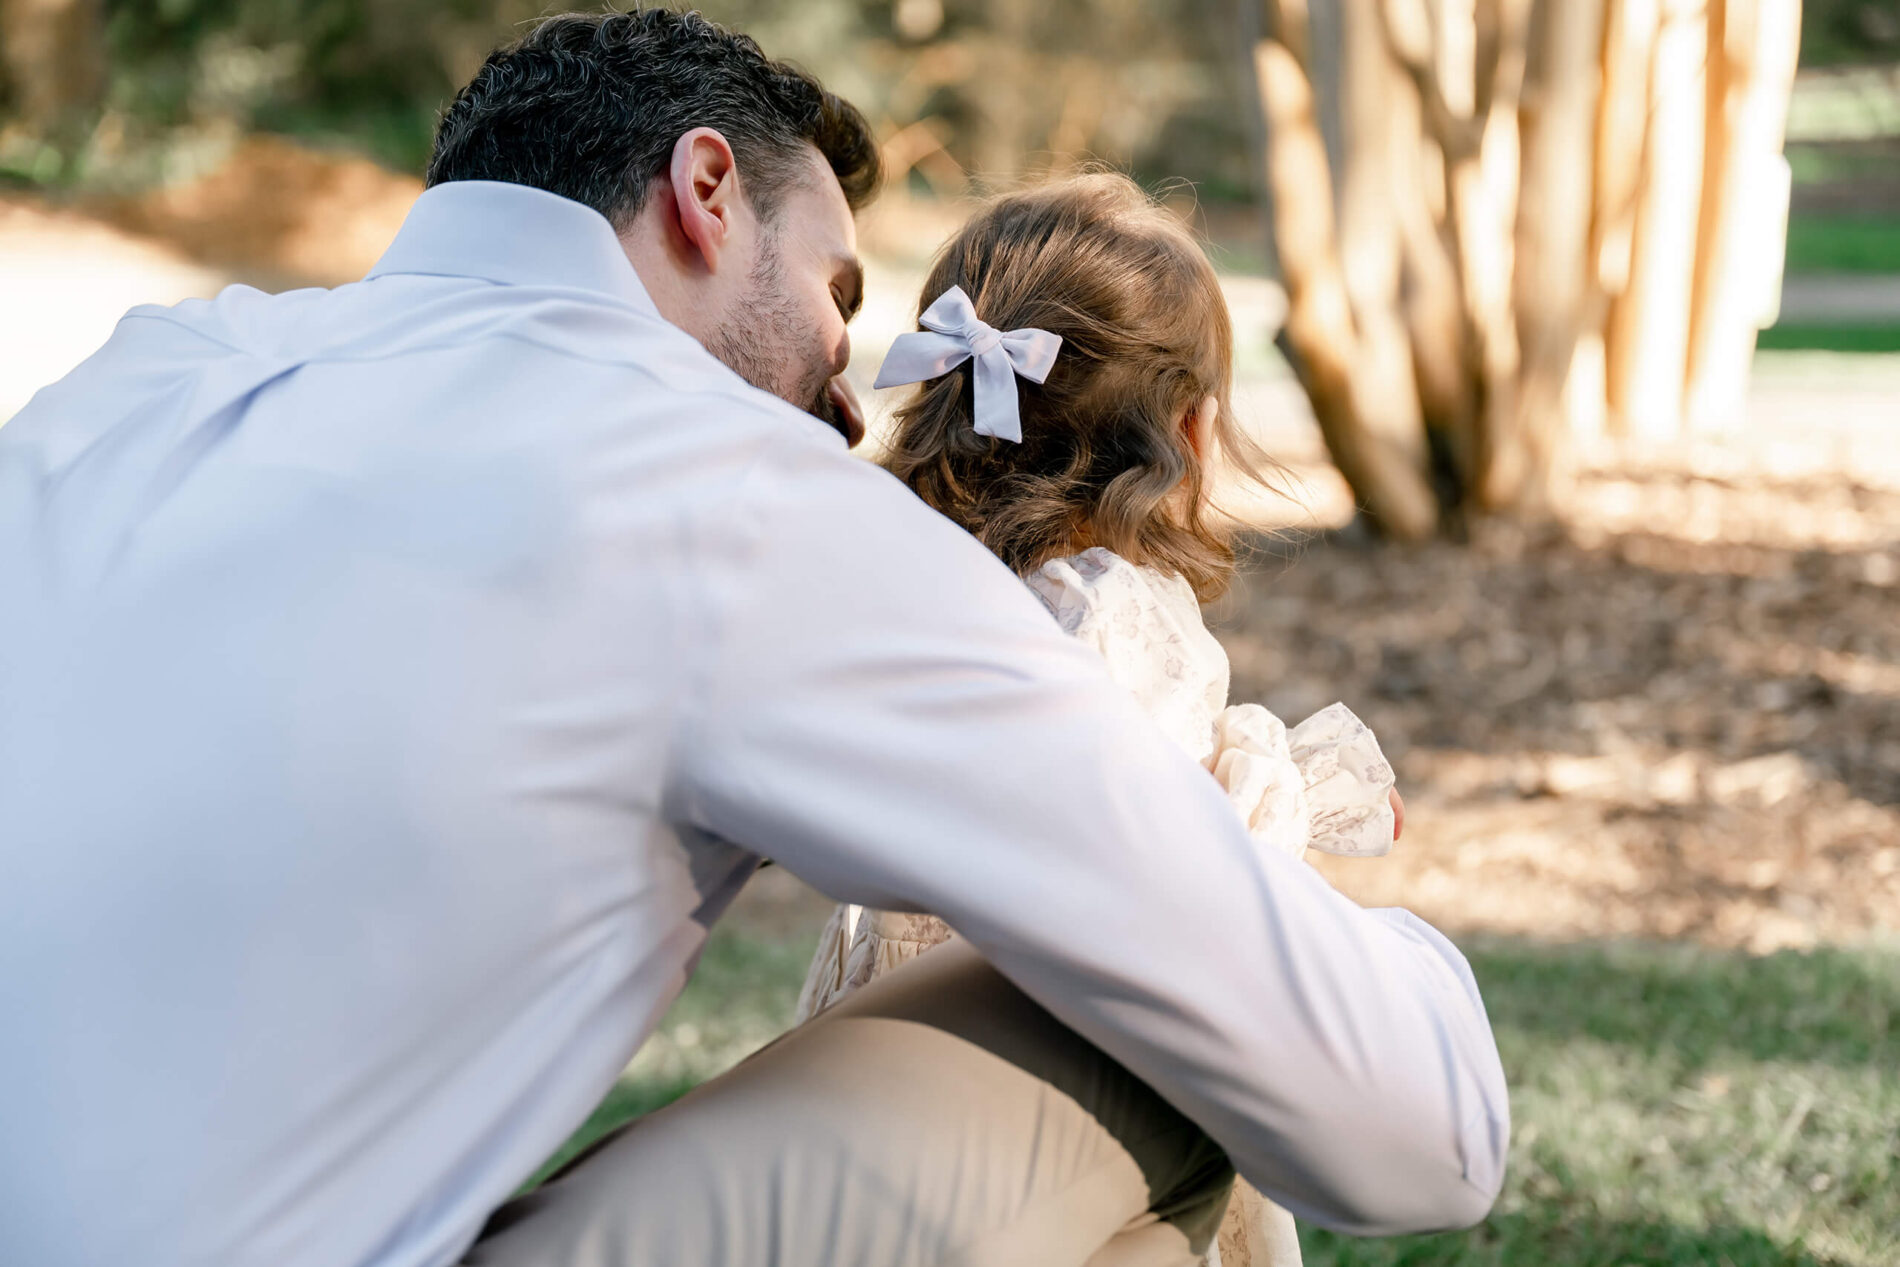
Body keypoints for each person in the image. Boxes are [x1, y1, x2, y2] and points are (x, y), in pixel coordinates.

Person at [0, 10, 1508, 1267]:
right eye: (839, 305)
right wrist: (1350, 918)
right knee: (1158, 1031)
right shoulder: (718, 481)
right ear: (704, 192)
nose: (856, 404)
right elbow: (1422, 1131)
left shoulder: (137, 384)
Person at [792, 174, 1414, 1267]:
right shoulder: (1117, 617)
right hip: (1061, 1063)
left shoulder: (917, 582)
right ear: (1189, 431)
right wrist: (1290, 784)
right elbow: (1169, 862)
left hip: (894, 1026)